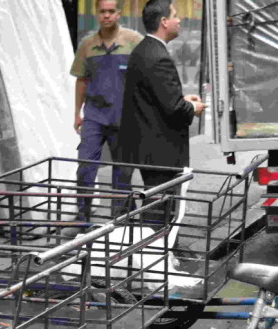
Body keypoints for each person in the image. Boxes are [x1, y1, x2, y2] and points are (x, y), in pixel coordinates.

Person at [117, 0, 205, 198]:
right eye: (175, 15)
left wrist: (183, 99)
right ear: (164, 22)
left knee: (157, 206)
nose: (179, 20)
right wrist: (193, 107)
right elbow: (173, 108)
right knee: (161, 211)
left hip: (150, 150)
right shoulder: (158, 57)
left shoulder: (144, 50)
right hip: (161, 153)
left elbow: (155, 97)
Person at [70, 0, 141, 220]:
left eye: (111, 11)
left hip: (124, 117)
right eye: (102, 12)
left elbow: (145, 77)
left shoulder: (133, 41)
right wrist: (77, 113)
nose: (106, 16)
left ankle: (120, 221)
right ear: (97, 14)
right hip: (94, 117)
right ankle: (83, 216)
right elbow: (81, 80)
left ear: (119, 13)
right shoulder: (87, 44)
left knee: (122, 172)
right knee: (85, 167)